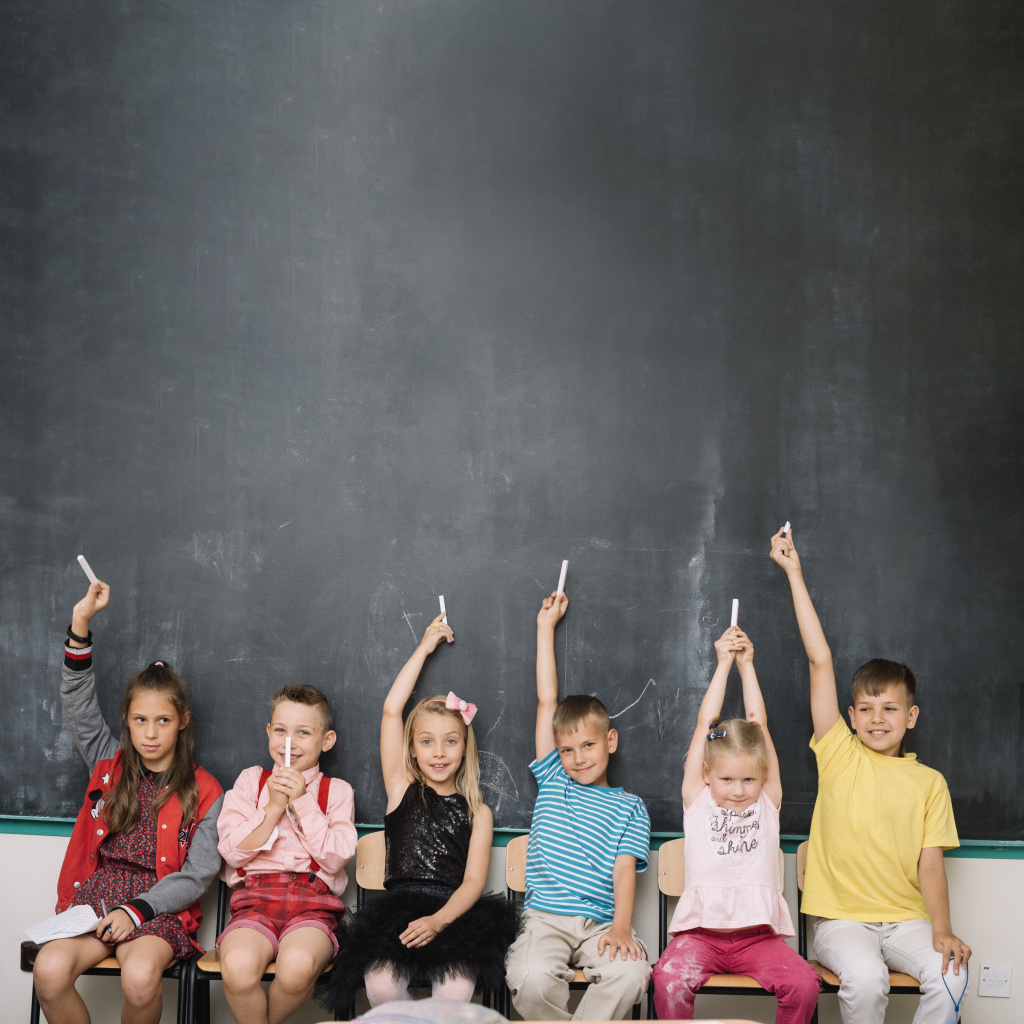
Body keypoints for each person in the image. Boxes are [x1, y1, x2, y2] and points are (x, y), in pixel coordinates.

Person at [771, 527, 970, 1024]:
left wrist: (942, 929)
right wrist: (794, 572)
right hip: (842, 923)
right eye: (866, 708)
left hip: (907, 922)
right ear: (851, 717)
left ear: (912, 716)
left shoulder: (930, 783)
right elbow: (820, 660)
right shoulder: (839, 753)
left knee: (953, 974)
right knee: (865, 979)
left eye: (890, 708)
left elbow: (931, 867)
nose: (878, 718)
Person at [32, 580, 223, 1024]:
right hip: (96, 901)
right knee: (49, 969)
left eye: (162, 720)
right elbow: (77, 701)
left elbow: (196, 877)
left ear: (183, 722)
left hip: (157, 907)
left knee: (138, 977)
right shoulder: (107, 763)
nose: (150, 733)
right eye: (140, 720)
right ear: (127, 721)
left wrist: (135, 910)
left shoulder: (207, 791)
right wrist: (81, 622)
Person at [324, 611, 517, 1012]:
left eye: (450, 741)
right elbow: (392, 711)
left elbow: (473, 882)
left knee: (456, 993)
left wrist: (439, 921)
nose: (439, 752)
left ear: (464, 748)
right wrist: (424, 647)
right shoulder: (402, 789)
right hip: (399, 910)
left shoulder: (478, 812)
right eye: (427, 742)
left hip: (454, 913)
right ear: (412, 748)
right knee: (379, 984)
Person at [652, 625, 821, 1022]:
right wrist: (723, 664)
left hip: (757, 938)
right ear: (707, 774)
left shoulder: (767, 801)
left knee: (805, 984)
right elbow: (703, 724)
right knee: (668, 980)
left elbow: (757, 723)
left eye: (748, 779)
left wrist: (748, 666)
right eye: (727, 779)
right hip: (700, 938)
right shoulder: (697, 800)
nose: (739, 789)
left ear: (763, 778)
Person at [505, 590, 651, 1021]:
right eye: (567, 749)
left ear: (610, 741)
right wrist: (544, 628)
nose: (578, 757)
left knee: (631, 974)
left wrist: (622, 928)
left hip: (602, 925)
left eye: (588, 745)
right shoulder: (553, 779)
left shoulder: (631, 807)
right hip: (545, 918)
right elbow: (547, 701)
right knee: (529, 978)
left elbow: (625, 869)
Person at [216, 684, 357, 1024]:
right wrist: (272, 808)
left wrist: (302, 803)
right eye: (280, 730)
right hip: (254, 901)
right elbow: (231, 853)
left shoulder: (336, 791)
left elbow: (336, 857)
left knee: (297, 969)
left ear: (326, 741)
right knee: (237, 968)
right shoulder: (251, 782)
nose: (288, 741)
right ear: (268, 732)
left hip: (313, 906)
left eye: (303, 732)